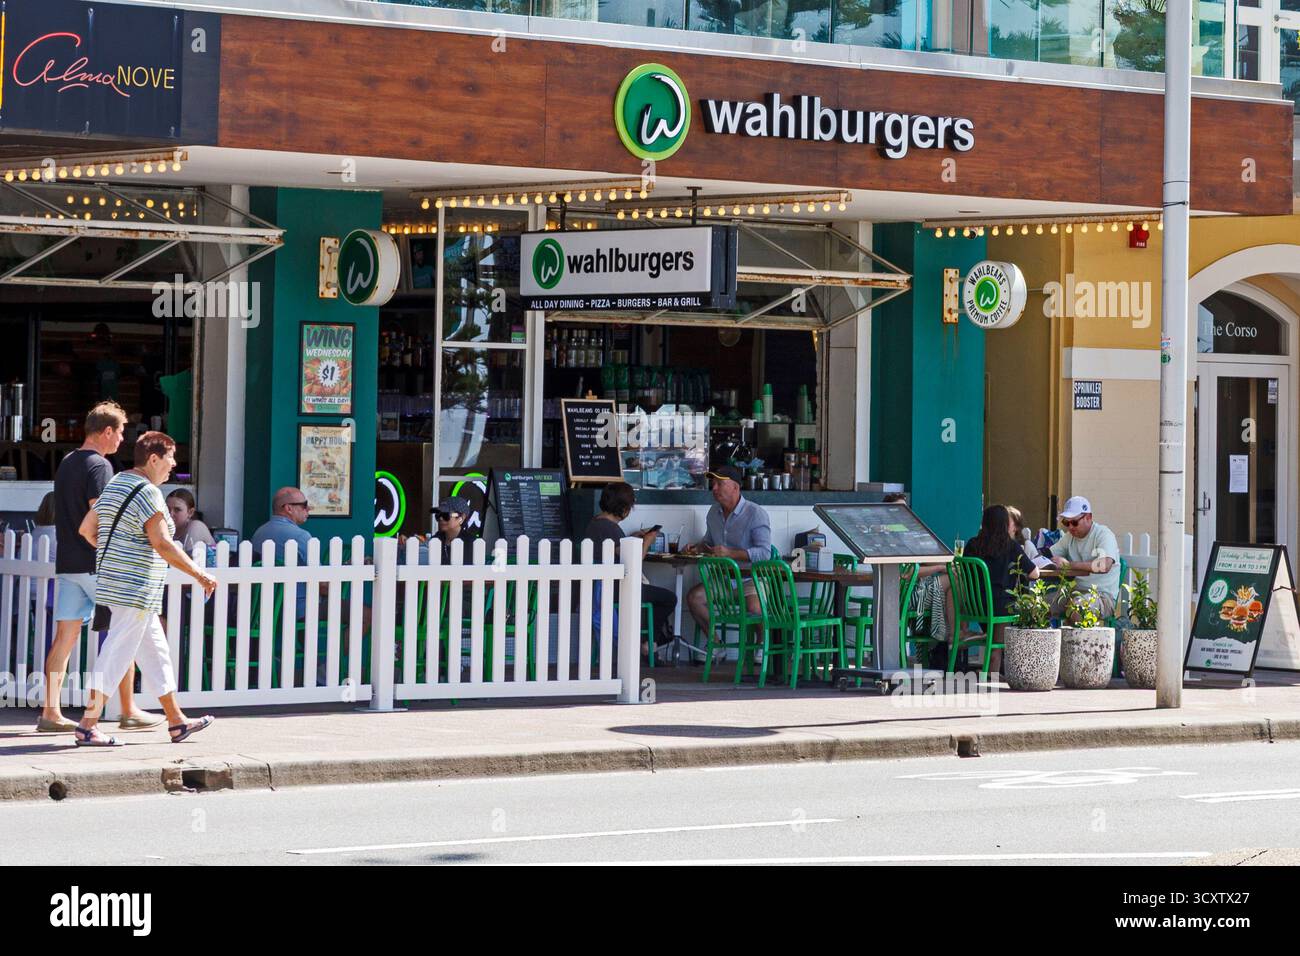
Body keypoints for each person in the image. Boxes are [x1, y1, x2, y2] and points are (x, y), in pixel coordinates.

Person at [72, 432, 218, 747]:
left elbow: (86, 529)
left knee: (156, 654)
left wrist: (116, 556)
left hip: (119, 585)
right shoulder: (149, 493)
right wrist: (200, 574)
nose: (174, 465)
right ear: (153, 459)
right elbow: (163, 543)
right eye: (170, 458)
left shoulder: (115, 485)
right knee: (116, 654)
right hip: (136, 589)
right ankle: (87, 724)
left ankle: (177, 722)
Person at [39, 402, 157, 734]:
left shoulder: (67, 462)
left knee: (64, 638)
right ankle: (128, 708)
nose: (122, 439)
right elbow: (102, 517)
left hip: (68, 563)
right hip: (96, 564)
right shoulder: (99, 466)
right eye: (120, 432)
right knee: (124, 632)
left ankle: (50, 712)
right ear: (106, 431)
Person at [583, 482, 677, 654]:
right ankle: (647, 643)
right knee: (668, 598)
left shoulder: (595, 522)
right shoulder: (610, 528)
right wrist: (647, 541)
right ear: (624, 508)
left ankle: (646, 641)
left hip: (599, 586)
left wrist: (631, 538)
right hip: (615, 588)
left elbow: (614, 549)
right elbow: (633, 561)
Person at [684, 466, 771, 629]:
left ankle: (761, 647)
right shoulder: (713, 512)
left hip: (751, 578)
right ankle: (717, 646)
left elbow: (765, 553)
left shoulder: (755, 513)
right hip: (723, 579)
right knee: (694, 598)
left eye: (719, 484)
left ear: (735, 487)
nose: (714, 488)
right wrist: (698, 548)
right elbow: (709, 541)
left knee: (755, 608)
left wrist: (731, 554)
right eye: (713, 484)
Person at [963, 504, 1042, 673]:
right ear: (1005, 524)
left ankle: (985, 641)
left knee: (994, 634)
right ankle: (993, 676)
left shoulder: (972, 544)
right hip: (1000, 606)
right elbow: (1034, 573)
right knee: (996, 646)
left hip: (975, 606)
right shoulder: (1010, 546)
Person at [1049, 496, 1120, 622]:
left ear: (1088, 517)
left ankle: (1078, 642)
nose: (1070, 527)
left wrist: (1069, 565)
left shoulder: (1103, 534)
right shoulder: (1069, 537)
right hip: (1073, 593)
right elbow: (1050, 554)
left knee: (1078, 608)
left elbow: (1105, 565)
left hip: (1101, 596)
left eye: (1074, 522)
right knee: (1036, 606)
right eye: (1066, 523)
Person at [399, 497, 472, 563]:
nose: (441, 518)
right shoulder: (436, 539)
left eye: (446, 515)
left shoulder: (472, 544)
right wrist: (408, 543)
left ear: (461, 518)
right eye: (438, 515)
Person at [250, 487, 314, 561]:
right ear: (288, 509)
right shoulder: (301, 536)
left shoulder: (259, 533)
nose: (308, 508)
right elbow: (317, 570)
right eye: (304, 505)